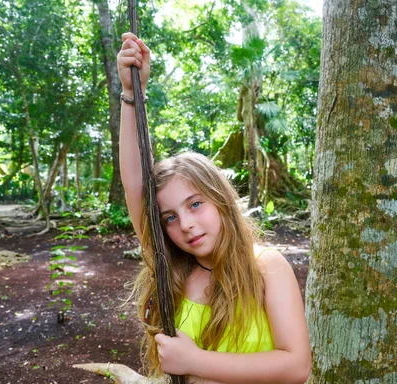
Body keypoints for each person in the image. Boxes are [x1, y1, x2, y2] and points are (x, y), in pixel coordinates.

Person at [117, 32, 311, 384]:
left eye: (195, 204)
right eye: (170, 218)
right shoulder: (172, 269)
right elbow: (135, 184)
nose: (186, 224)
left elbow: (296, 366)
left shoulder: (265, 267)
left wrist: (194, 361)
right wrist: (132, 95)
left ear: (221, 200)